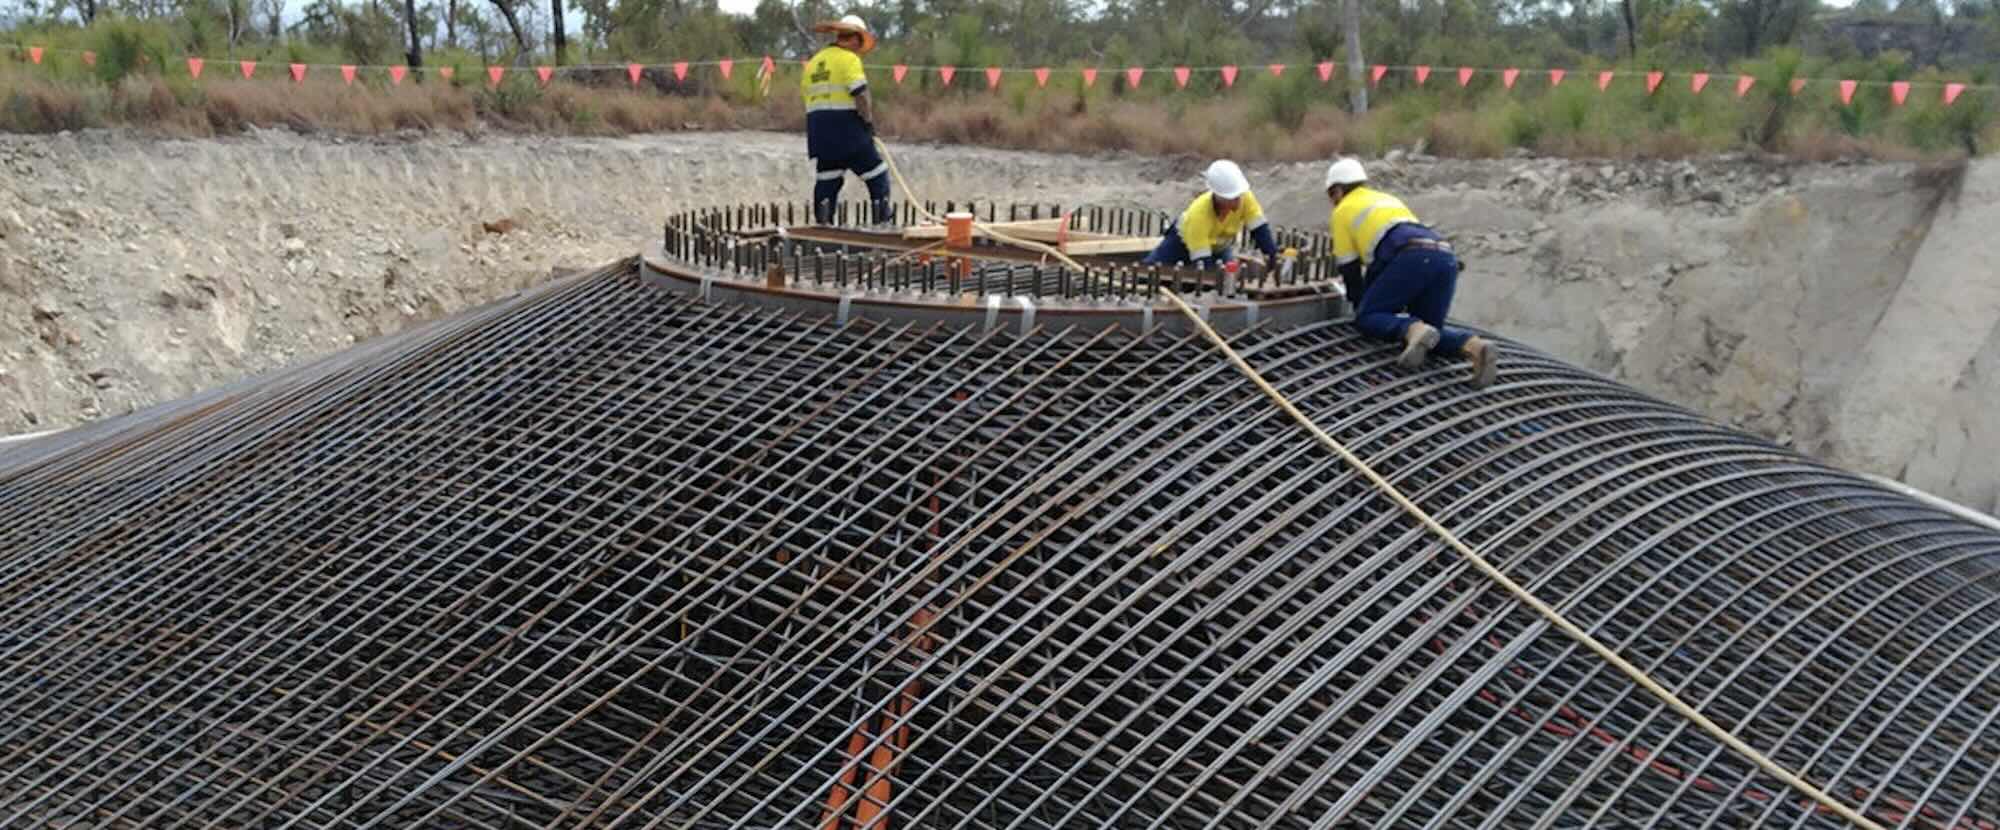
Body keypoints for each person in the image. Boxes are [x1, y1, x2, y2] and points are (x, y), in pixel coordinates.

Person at [1325, 156, 1499, 389]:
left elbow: (1349, 267)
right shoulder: (1387, 199)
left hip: (1411, 256)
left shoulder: (1343, 210)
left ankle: (1412, 329)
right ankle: (1475, 347)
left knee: (1369, 317)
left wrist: (1361, 306)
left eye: (1331, 196)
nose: (1332, 202)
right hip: (1444, 257)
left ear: (1337, 190)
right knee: (1431, 336)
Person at [802, 15, 891, 228]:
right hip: (848, 131)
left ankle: (823, 226)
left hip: (820, 135)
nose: (859, 50)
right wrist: (868, 122)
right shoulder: (849, 59)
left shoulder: (813, 63)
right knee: (877, 174)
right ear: (854, 39)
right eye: (859, 45)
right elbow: (860, 94)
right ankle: (883, 225)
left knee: (827, 180)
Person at [1143, 160, 1283, 271]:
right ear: (1218, 197)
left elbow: (1261, 231)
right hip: (1180, 245)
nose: (1238, 202)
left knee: (1228, 279)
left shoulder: (1245, 197)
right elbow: (1203, 264)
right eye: (1232, 198)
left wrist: (1272, 258)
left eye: (1238, 196)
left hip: (1219, 248)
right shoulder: (1199, 215)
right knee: (1150, 271)